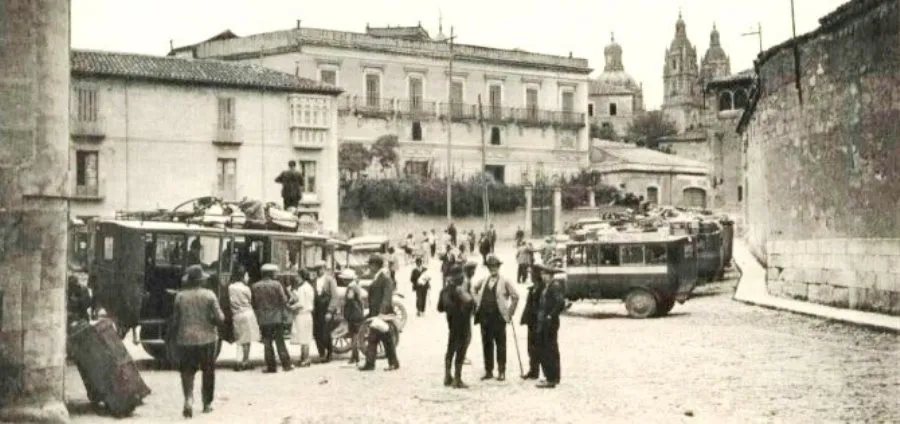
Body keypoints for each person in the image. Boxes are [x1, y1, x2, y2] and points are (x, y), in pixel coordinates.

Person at [171, 265, 225, 418]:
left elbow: (175, 320)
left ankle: (188, 399)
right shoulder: (209, 295)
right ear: (202, 280)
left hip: (185, 339)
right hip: (208, 339)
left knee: (187, 371)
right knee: (208, 371)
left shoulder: (180, 296)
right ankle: (207, 404)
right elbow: (220, 318)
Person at [471, 254, 519, 381]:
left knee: (500, 345)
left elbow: (515, 296)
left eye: (495, 266)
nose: (493, 269)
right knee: (486, 344)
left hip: (498, 318)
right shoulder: (484, 280)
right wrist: (477, 301)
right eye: (490, 267)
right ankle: (488, 371)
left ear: (498, 267)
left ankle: (501, 371)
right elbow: (473, 289)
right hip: (484, 318)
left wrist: (509, 312)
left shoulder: (505, 281)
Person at [359, 254, 400, 371]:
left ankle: (391, 363)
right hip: (376, 315)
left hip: (383, 315)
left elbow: (387, 297)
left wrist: (381, 313)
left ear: (376, 265)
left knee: (386, 339)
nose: (369, 268)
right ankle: (371, 363)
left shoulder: (385, 278)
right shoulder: (378, 277)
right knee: (373, 338)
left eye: (370, 265)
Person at [251, 263, 293, 373]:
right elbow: (283, 300)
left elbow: (254, 303)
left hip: (263, 319)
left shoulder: (255, 286)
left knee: (267, 343)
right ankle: (286, 364)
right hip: (276, 317)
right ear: (271, 274)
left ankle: (271, 367)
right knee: (280, 342)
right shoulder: (277, 285)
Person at [437, 264, 474, 388]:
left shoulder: (444, 291)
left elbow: (440, 308)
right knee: (461, 350)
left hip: (451, 324)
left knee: (450, 349)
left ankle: (447, 376)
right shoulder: (460, 291)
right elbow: (470, 304)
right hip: (463, 324)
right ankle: (457, 379)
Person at [535, 263, 566, 389]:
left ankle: (551, 378)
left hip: (549, 322)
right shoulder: (548, 286)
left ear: (550, 275)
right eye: (542, 274)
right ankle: (551, 376)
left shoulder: (554, 286)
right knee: (546, 348)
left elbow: (560, 302)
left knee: (549, 349)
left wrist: (550, 316)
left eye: (545, 274)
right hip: (544, 321)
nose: (543, 276)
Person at [228, 265, 258, 371]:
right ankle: (245, 361)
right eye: (247, 275)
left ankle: (238, 361)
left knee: (239, 339)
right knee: (247, 340)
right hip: (247, 314)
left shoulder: (230, 287)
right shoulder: (246, 288)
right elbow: (250, 300)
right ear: (243, 276)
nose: (248, 278)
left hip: (236, 315)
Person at [519, 263, 547, 380]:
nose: (531, 276)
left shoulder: (543, 289)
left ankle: (545, 372)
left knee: (540, 347)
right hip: (531, 322)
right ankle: (533, 370)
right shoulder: (533, 288)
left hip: (539, 322)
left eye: (533, 273)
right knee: (531, 347)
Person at [312, 260, 338, 363]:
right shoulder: (314, 281)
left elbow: (334, 296)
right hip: (317, 310)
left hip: (326, 309)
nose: (319, 270)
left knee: (326, 333)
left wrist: (330, 311)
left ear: (324, 268)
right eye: (317, 269)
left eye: (321, 268)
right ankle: (321, 353)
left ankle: (329, 353)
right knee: (317, 333)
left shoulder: (330, 280)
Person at [288, 270, 315, 367]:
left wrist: (291, 307)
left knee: (305, 338)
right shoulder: (305, 287)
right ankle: (303, 357)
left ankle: (306, 358)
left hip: (304, 314)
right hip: (303, 315)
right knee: (303, 337)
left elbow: (301, 304)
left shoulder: (305, 288)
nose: (296, 278)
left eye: (298, 276)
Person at [340, 270, 365, 364]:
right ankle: (355, 356)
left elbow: (350, 299)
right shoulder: (355, 285)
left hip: (353, 313)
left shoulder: (351, 287)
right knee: (355, 335)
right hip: (357, 313)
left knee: (354, 336)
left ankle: (355, 356)